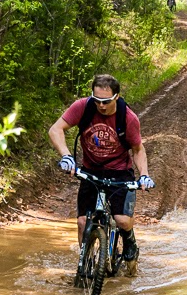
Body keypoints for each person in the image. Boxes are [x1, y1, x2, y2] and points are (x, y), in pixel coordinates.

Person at [48, 74, 154, 276]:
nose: (101, 105)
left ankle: (129, 240)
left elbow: (138, 149)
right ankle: (85, 264)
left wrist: (144, 175)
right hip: (91, 170)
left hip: (119, 172)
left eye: (105, 101)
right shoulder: (83, 107)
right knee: (81, 222)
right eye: (97, 100)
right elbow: (55, 130)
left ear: (116, 97)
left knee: (122, 220)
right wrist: (66, 156)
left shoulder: (128, 118)